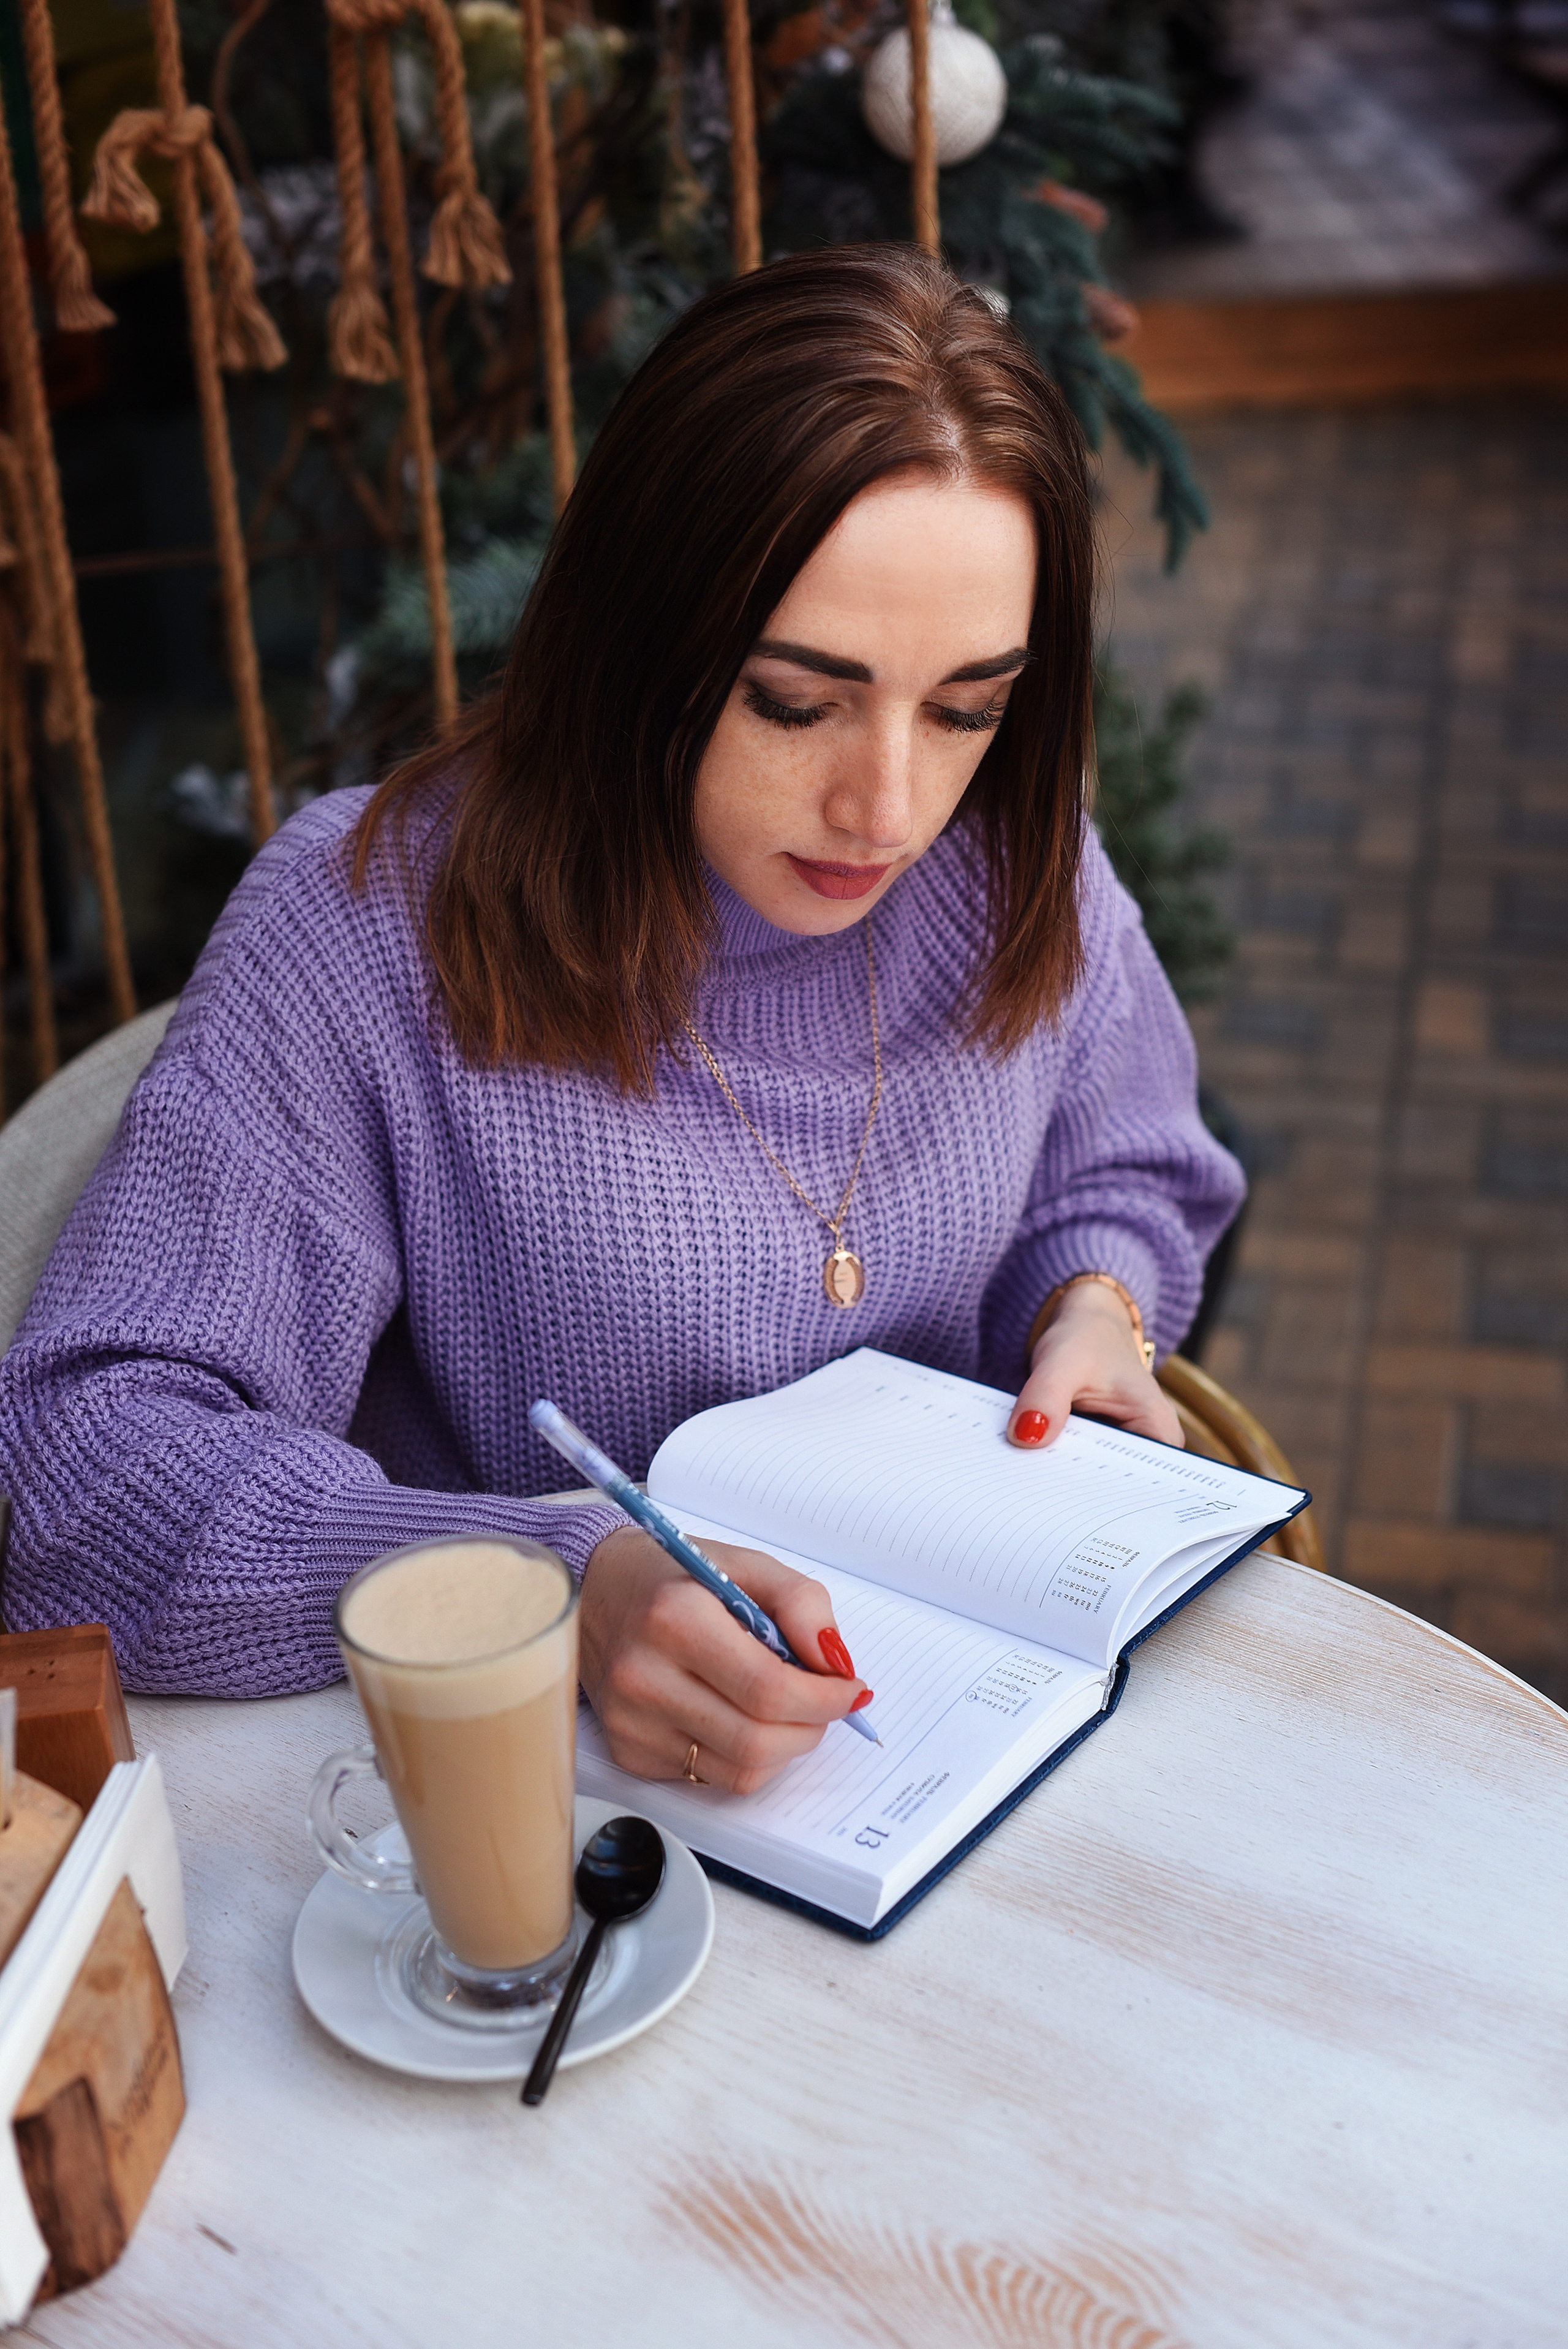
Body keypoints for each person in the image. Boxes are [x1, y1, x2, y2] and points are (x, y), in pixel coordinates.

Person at [0, 245, 1243, 1794]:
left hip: (946, 1764)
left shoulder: (1013, 865)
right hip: (525, 1825)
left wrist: (1089, 1308)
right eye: (794, 701)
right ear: (638, 634)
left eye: (968, 706)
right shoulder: (366, 929)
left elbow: (1120, 1167)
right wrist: (548, 1586)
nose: (891, 805)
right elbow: (75, 1484)